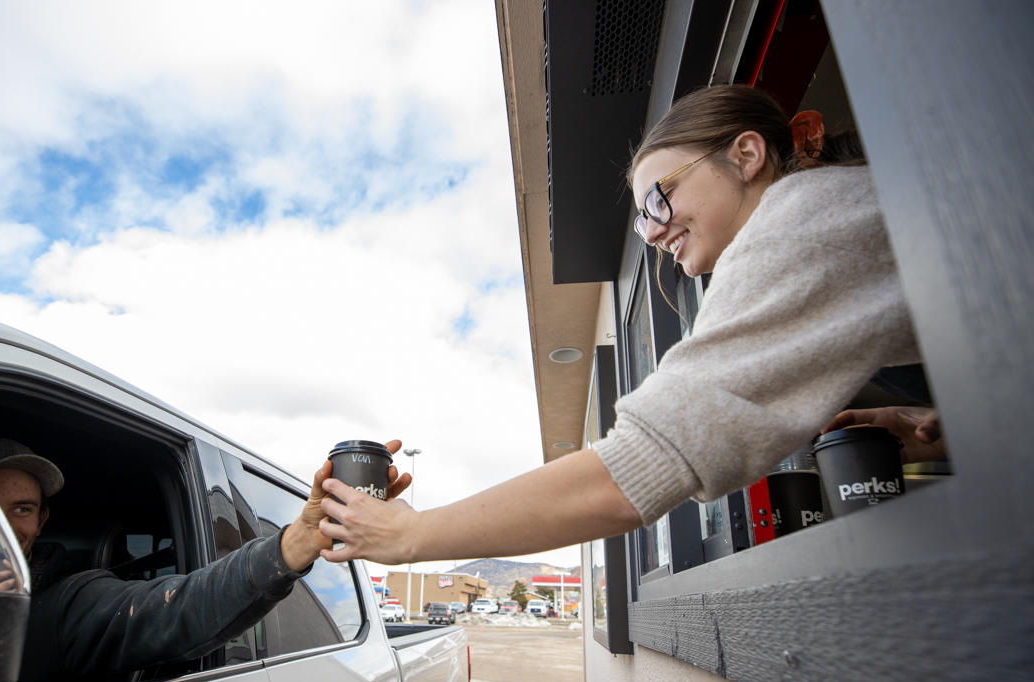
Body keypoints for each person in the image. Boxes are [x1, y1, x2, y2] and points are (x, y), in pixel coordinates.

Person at [314, 84, 943, 566]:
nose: (655, 232)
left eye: (658, 199)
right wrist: (939, 425)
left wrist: (415, 533)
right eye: (643, 224)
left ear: (746, 154)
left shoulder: (799, 218)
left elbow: (643, 466)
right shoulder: (849, 209)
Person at [0, 437, 409, 682]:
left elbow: (180, 607)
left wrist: (300, 541)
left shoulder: (64, 606)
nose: (1, 522)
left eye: (21, 508)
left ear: (41, 521)